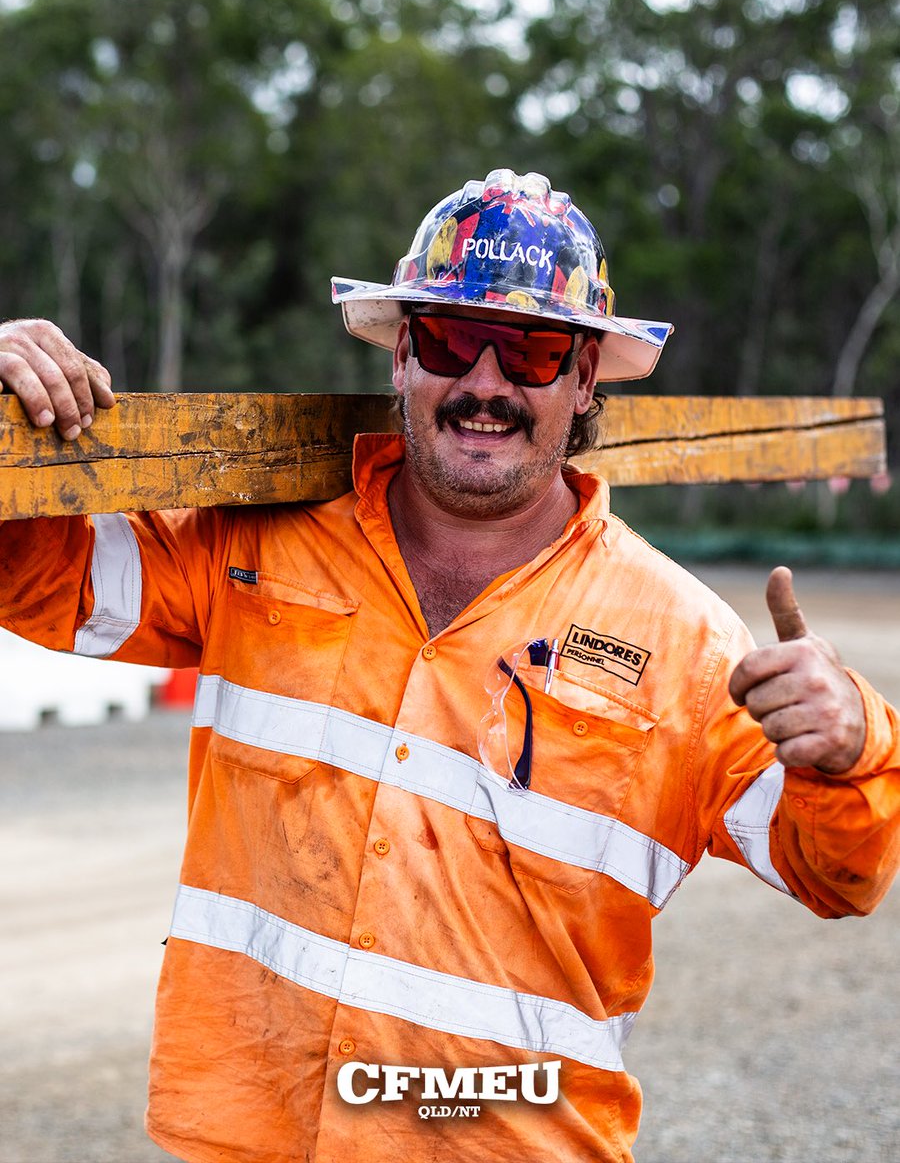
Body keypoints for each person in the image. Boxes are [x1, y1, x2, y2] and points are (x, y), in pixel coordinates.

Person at [0, 168, 897, 1163]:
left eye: (534, 349)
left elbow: (837, 876)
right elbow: (33, 576)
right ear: (401, 357)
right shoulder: (248, 548)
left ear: (587, 378)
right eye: (448, 340)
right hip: (247, 1142)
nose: (485, 383)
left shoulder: (685, 642)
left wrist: (849, 749)